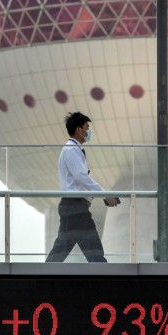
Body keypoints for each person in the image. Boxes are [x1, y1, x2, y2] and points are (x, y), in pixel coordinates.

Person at [46, 111, 118, 262]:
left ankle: (41, 275)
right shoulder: (71, 150)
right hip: (75, 207)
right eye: (87, 128)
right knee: (94, 251)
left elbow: (80, 178)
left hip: (73, 206)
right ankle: (105, 277)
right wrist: (104, 194)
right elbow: (81, 177)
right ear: (79, 130)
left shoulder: (74, 149)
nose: (88, 131)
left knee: (62, 250)